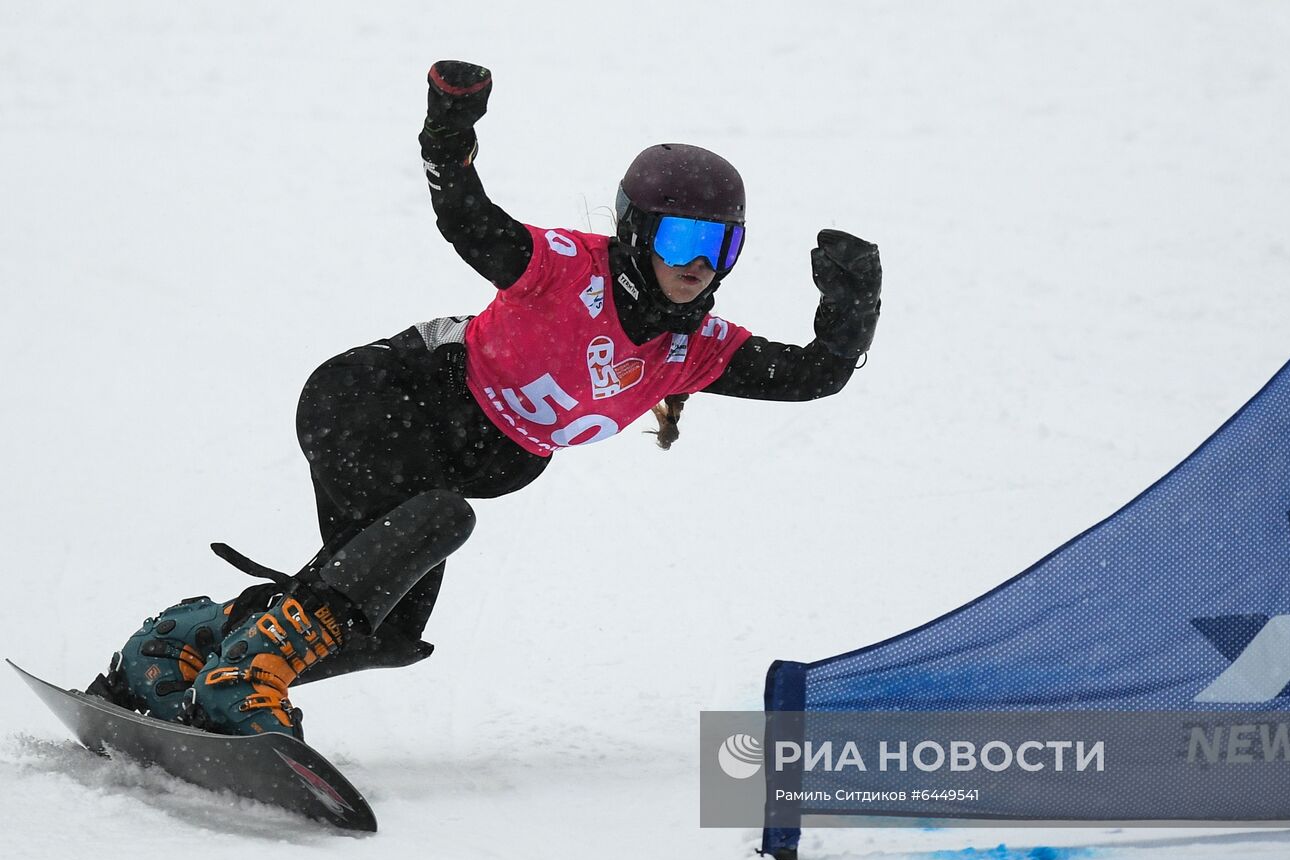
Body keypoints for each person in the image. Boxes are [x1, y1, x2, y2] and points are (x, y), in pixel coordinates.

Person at [86, 60, 883, 740]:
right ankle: (242, 681)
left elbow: (815, 373)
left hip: (426, 453)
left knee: (387, 629)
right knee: (439, 519)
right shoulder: (570, 268)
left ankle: (175, 645)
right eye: (680, 239)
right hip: (375, 398)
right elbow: (466, 219)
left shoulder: (688, 351)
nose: (699, 264)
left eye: (721, 245)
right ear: (636, 232)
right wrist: (449, 124)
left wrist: (853, 302)